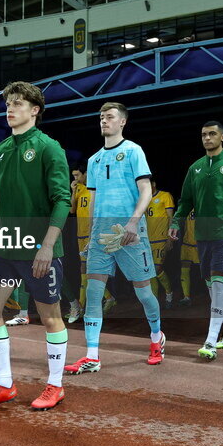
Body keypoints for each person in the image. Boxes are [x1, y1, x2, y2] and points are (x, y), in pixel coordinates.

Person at [0, 81, 70, 413]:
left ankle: (55, 386)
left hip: (39, 249)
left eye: (18, 103)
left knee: (49, 317)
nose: (10, 108)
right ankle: (4, 385)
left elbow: (62, 200)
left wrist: (47, 246)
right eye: (8, 104)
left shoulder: (48, 148)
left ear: (35, 110)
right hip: (6, 248)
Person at [64, 102, 165, 375]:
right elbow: (94, 200)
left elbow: (146, 191)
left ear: (122, 122)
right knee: (94, 293)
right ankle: (92, 355)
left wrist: (133, 222)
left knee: (143, 293)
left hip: (130, 231)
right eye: (101, 117)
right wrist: (93, 233)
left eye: (109, 117)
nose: (103, 121)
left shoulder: (134, 151)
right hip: (102, 235)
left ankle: (157, 338)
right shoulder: (94, 159)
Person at [169, 121, 223, 361]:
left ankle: (211, 340)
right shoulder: (195, 168)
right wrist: (176, 222)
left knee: (219, 284)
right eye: (204, 135)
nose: (207, 138)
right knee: (211, 286)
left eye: (212, 134)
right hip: (202, 235)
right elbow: (185, 200)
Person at [66, 164, 91, 324]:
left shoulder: (94, 190)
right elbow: (71, 210)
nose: (75, 178)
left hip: (92, 235)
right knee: (84, 270)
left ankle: (82, 307)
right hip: (80, 234)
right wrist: (74, 190)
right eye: (73, 176)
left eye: (77, 175)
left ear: (85, 174)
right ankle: (82, 307)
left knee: (91, 271)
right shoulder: (80, 189)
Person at [146, 177, 176, 308]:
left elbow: (171, 218)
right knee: (150, 271)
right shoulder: (143, 199)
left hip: (161, 239)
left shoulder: (165, 196)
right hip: (147, 240)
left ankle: (169, 294)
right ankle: (155, 301)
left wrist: (170, 238)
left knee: (157, 269)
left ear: (153, 184)